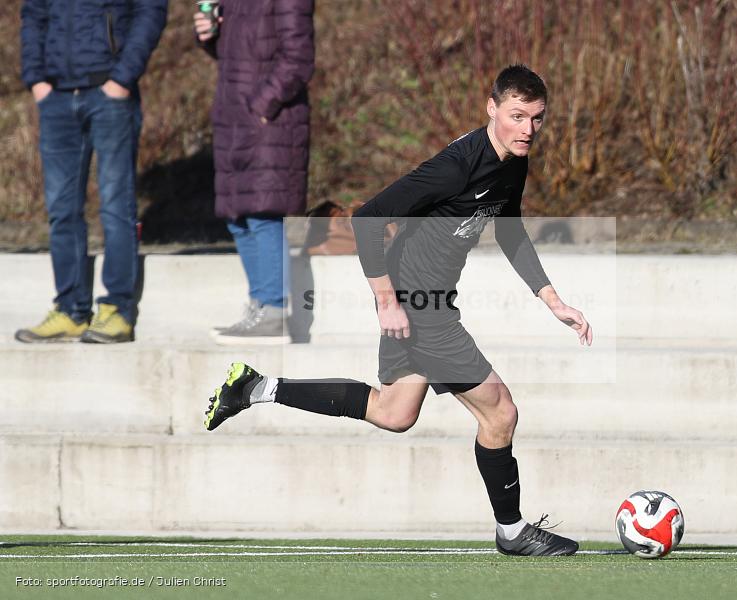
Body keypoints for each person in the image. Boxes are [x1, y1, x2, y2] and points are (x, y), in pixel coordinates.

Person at [204, 65, 593, 556]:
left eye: (537, 118)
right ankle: (512, 531)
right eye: (517, 116)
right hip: (419, 303)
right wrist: (387, 302)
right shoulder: (457, 166)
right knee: (501, 412)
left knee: (394, 412)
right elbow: (367, 218)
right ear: (491, 108)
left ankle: (256, 387)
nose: (528, 129)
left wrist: (552, 299)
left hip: (425, 300)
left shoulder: (513, 162)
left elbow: (510, 230)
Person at [16, 0, 168, 343]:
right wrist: (36, 78)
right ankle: (70, 309)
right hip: (56, 96)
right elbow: (34, 14)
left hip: (110, 93)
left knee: (115, 205)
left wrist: (122, 78)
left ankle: (117, 309)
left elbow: (151, 11)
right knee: (61, 209)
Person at [193, 0, 315, 345]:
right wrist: (209, 36)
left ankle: (274, 310)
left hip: (270, 121)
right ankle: (259, 306)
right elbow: (240, 54)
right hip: (233, 117)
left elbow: (299, 58)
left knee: (263, 213)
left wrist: (261, 106)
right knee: (237, 216)